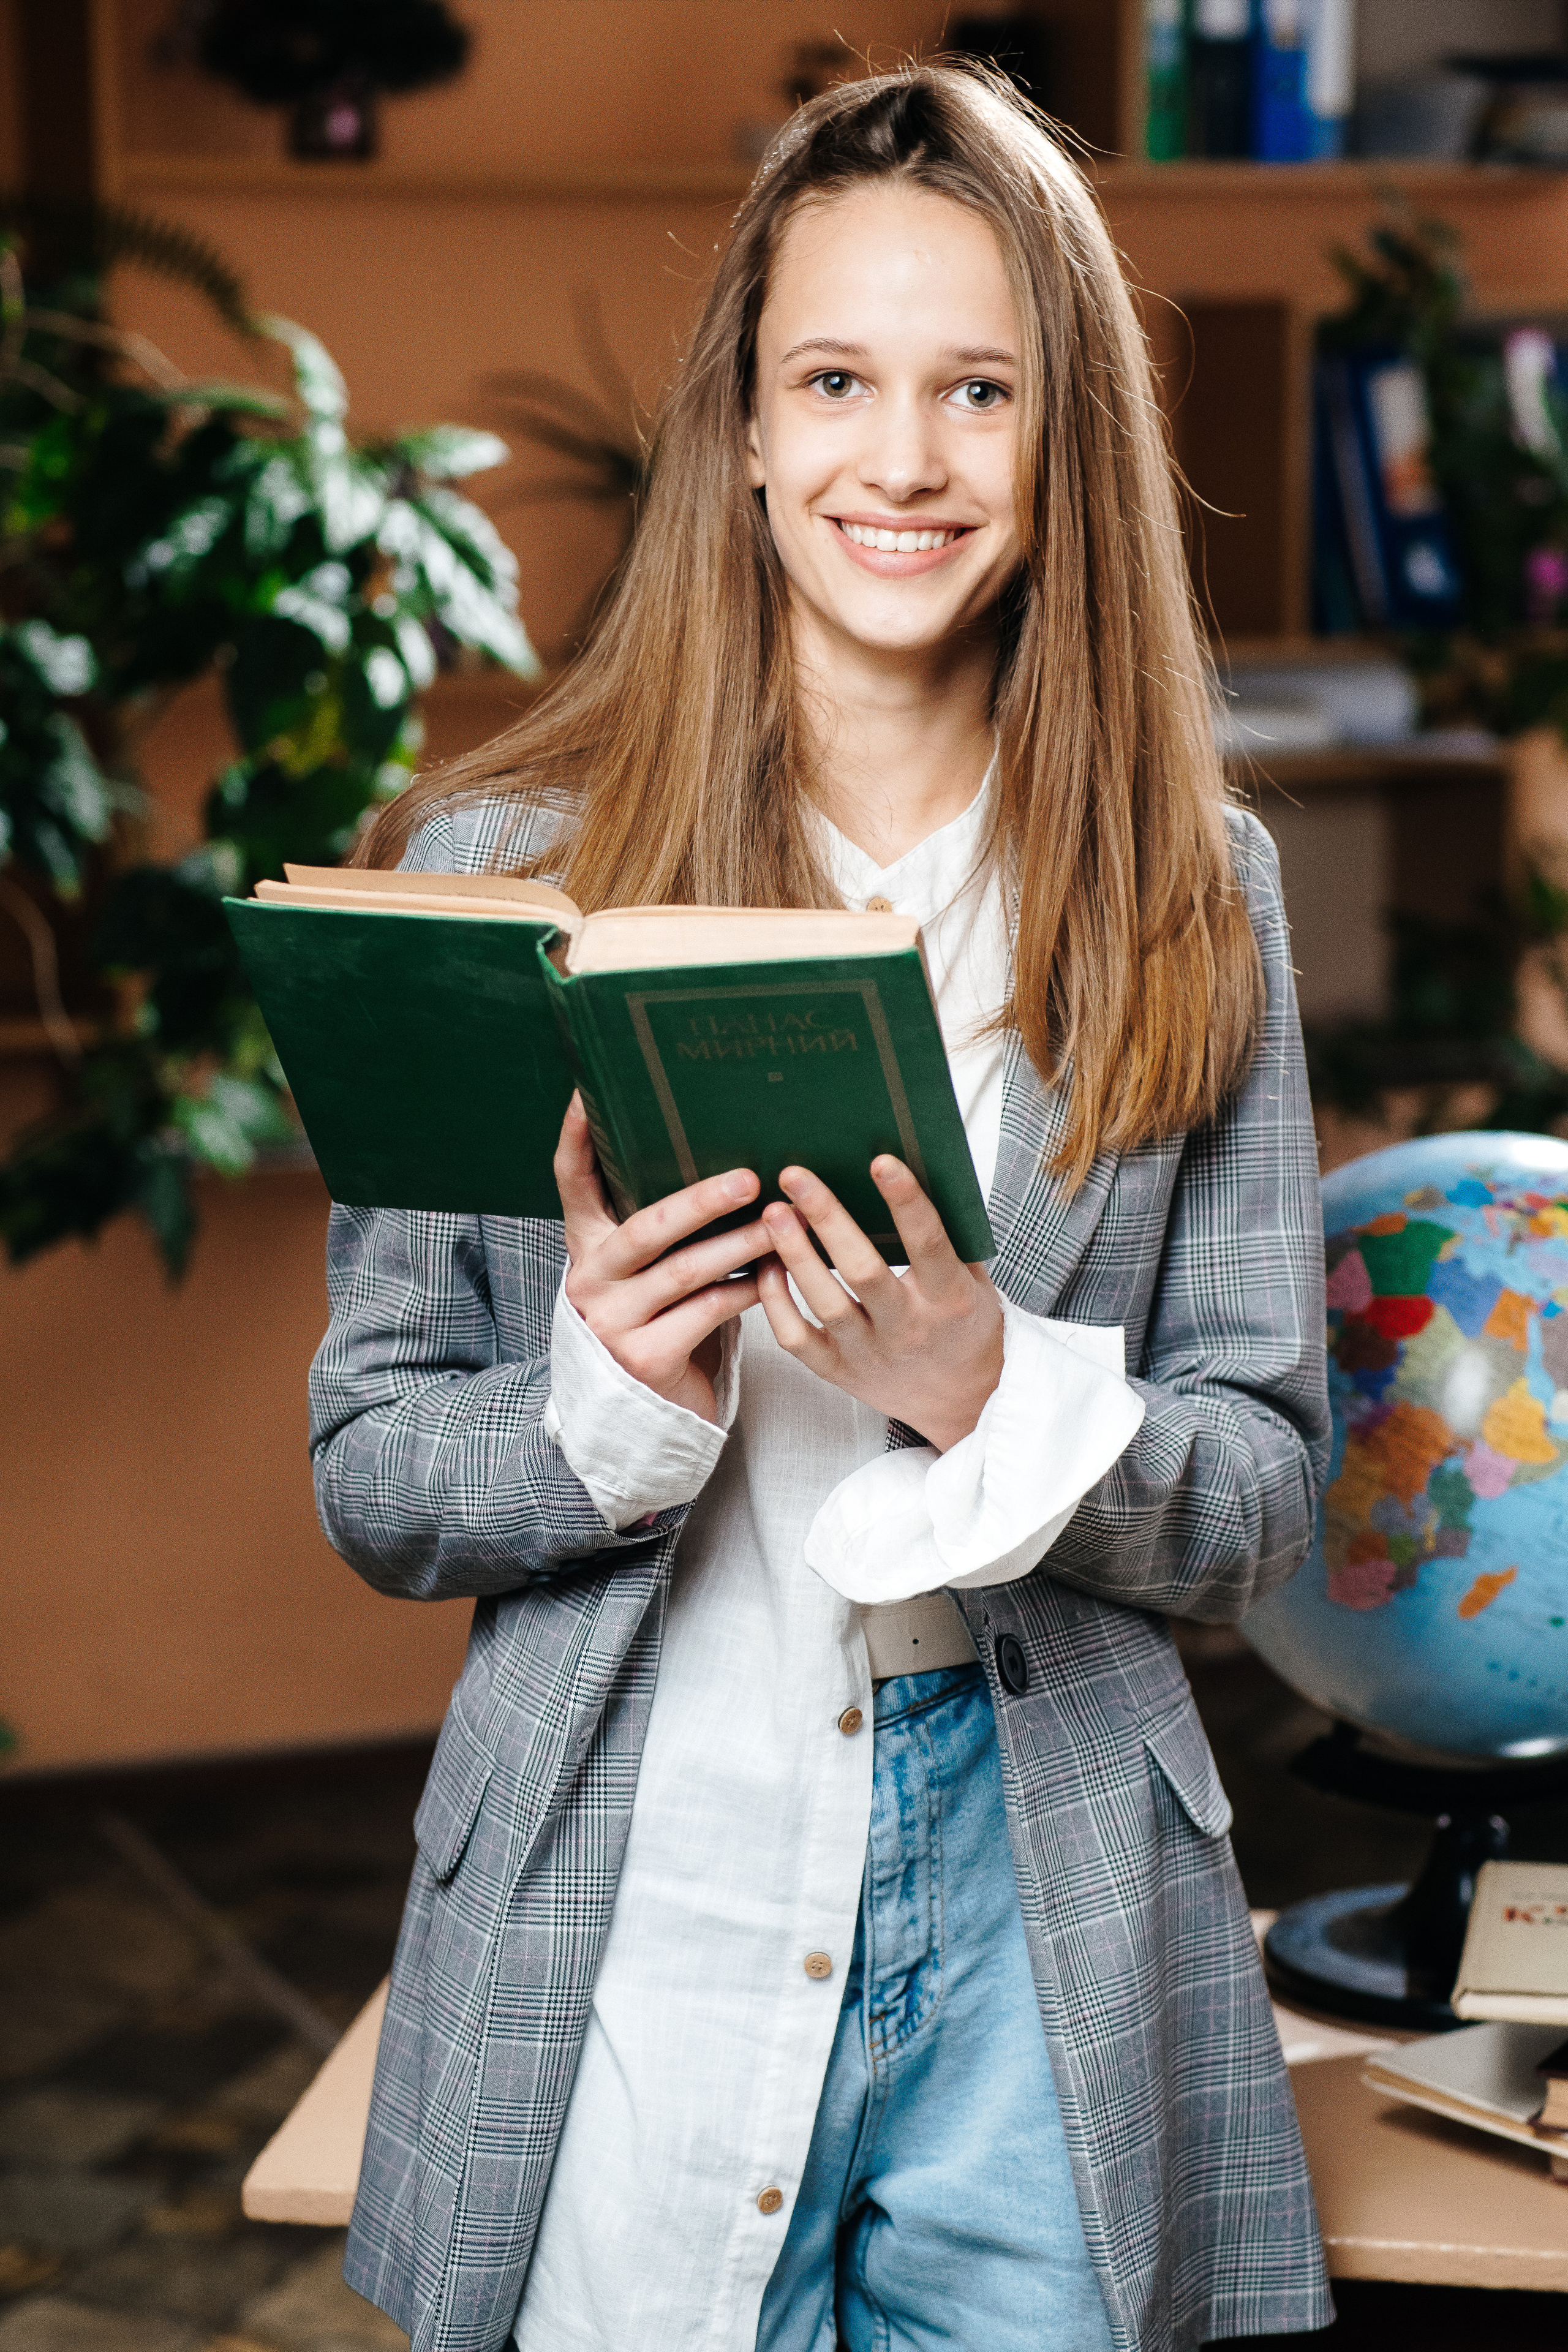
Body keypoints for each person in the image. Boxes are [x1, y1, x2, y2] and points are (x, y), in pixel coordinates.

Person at [309, 64, 1332, 2352]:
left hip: (1043, 1876)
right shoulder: (504, 882)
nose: (906, 460)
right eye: (836, 382)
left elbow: (1262, 1502)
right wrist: (602, 1403)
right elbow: (377, 1473)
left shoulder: (1200, 901)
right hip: (642, 1853)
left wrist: (998, 1391)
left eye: (982, 390)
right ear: (744, 435)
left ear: (1065, 450)